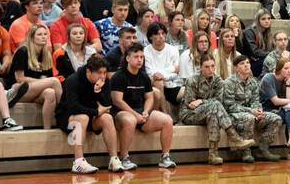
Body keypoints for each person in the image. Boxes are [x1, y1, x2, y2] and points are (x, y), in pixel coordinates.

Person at [109, 41, 177, 170]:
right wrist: (135, 115)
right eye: (136, 57)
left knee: (167, 120)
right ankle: (124, 158)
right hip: (120, 113)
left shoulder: (144, 76)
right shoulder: (119, 76)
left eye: (141, 57)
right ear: (128, 58)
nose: (139, 60)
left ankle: (165, 157)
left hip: (140, 112)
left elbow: (149, 97)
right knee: (130, 120)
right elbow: (117, 101)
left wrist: (146, 111)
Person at [180, 53, 254, 165]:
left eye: (213, 66)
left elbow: (219, 101)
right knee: (214, 105)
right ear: (200, 67)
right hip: (189, 115)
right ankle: (234, 137)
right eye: (206, 67)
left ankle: (213, 154)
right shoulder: (192, 80)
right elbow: (190, 104)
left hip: (210, 112)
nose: (210, 69)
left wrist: (201, 101)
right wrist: (203, 102)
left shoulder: (218, 80)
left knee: (214, 112)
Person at [58, 53, 120, 174]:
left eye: (105, 72)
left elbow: (106, 105)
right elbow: (73, 107)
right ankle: (78, 162)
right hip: (67, 117)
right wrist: (96, 111)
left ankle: (114, 159)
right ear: (88, 71)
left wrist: (97, 91)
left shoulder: (104, 81)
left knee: (107, 117)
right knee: (82, 117)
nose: (102, 76)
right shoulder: (73, 80)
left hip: (91, 116)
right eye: (99, 72)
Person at [220, 54, 281, 163]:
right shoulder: (229, 82)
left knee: (276, 118)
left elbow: (256, 100)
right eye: (242, 63)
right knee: (249, 118)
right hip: (233, 115)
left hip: (251, 114)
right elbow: (229, 106)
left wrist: (258, 111)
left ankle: (263, 149)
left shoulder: (253, 82)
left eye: (248, 63)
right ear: (236, 68)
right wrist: (250, 111)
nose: (246, 65)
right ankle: (245, 151)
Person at [8, 22, 62, 129]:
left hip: (35, 91)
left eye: (45, 34)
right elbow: (20, 78)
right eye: (39, 34)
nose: (43, 37)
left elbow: (46, 78)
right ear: (31, 37)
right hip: (17, 92)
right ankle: (63, 112)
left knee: (50, 93)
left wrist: (44, 82)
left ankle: (47, 129)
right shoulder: (23, 51)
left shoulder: (46, 54)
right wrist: (42, 82)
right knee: (54, 81)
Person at [259, 53, 290, 161]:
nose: (289, 71)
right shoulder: (268, 78)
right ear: (279, 69)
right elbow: (276, 101)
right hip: (267, 110)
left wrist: (287, 85)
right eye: (286, 68)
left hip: (281, 111)